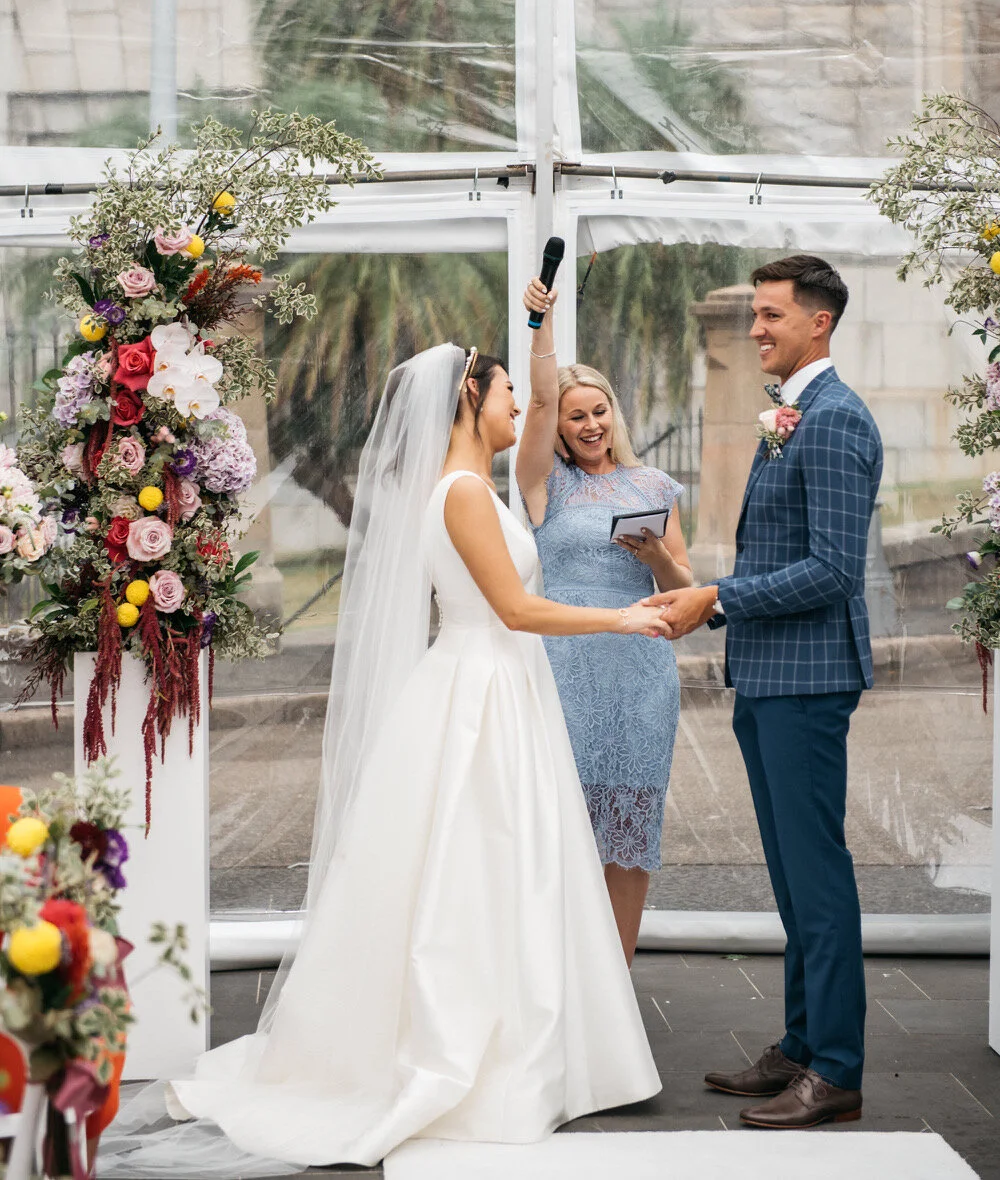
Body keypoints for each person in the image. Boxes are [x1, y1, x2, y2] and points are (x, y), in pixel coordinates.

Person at [104, 344, 664, 1175]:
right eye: (508, 393)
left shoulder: (468, 486)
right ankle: (475, 1044)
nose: (520, 409)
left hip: (500, 686)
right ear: (470, 395)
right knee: (476, 865)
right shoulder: (463, 492)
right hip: (481, 690)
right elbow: (513, 610)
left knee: (501, 865)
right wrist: (624, 618)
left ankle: (529, 1033)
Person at [650, 255, 882, 1132]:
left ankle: (838, 1071)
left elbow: (832, 570)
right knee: (792, 877)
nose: (755, 329)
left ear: (819, 322)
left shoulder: (836, 419)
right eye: (754, 313)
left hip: (808, 682)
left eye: (771, 315)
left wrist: (718, 597)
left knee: (817, 879)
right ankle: (801, 1046)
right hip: (773, 676)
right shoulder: (798, 412)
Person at [515, 278, 693, 965]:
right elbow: (535, 402)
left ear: (614, 412)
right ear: (558, 427)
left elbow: (684, 592)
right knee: (560, 824)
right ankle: (557, 974)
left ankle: (615, 979)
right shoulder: (544, 484)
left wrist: (656, 557)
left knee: (631, 827)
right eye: (575, 417)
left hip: (640, 673)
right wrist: (542, 325)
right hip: (564, 670)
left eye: (599, 410)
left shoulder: (653, 486)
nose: (590, 425)